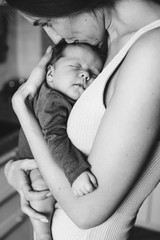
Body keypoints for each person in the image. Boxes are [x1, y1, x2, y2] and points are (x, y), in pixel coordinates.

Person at [4, 0, 160, 239]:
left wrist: (21, 108)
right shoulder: (102, 43)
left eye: (47, 22)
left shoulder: (153, 49)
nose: (56, 36)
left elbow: (87, 212)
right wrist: (15, 169)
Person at [17, 39, 104, 240]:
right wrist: (76, 172)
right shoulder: (52, 100)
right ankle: (42, 233)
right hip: (33, 163)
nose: (85, 74)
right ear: (50, 74)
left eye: (94, 74)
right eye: (75, 66)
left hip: (44, 161)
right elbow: (55, 138)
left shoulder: (67, 97)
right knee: (40, 190)